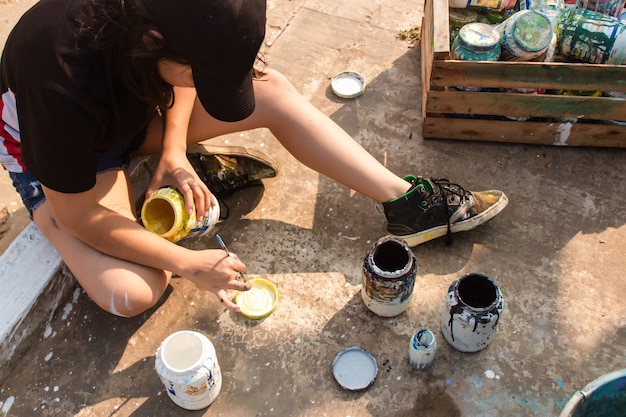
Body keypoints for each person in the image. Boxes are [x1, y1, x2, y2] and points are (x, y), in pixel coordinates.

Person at [0, 0, 508, 317]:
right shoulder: (60, 80)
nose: (210, 88)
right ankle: (40, 214)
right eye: (205, 77)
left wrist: (175, 151)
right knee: (135, 291)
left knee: (276, 94)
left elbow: (174, 82)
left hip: (129, 110)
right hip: (65, 156)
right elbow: (80, 212)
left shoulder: (166, 25)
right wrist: (188, 264)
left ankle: (406, 203)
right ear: (153, 43)